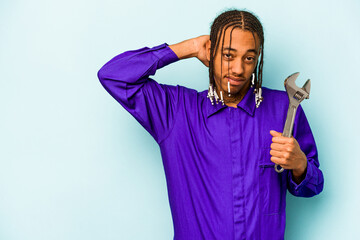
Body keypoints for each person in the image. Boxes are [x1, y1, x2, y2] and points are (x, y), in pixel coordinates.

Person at [97, 9, 324, 240]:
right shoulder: (174, 111)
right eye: (228, 55)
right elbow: (113, 76)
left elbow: (312, 187)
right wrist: (190, 47)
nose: (238, 69)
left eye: (249, 58)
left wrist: (300, 164)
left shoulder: (284, 108)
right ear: (211, 53)